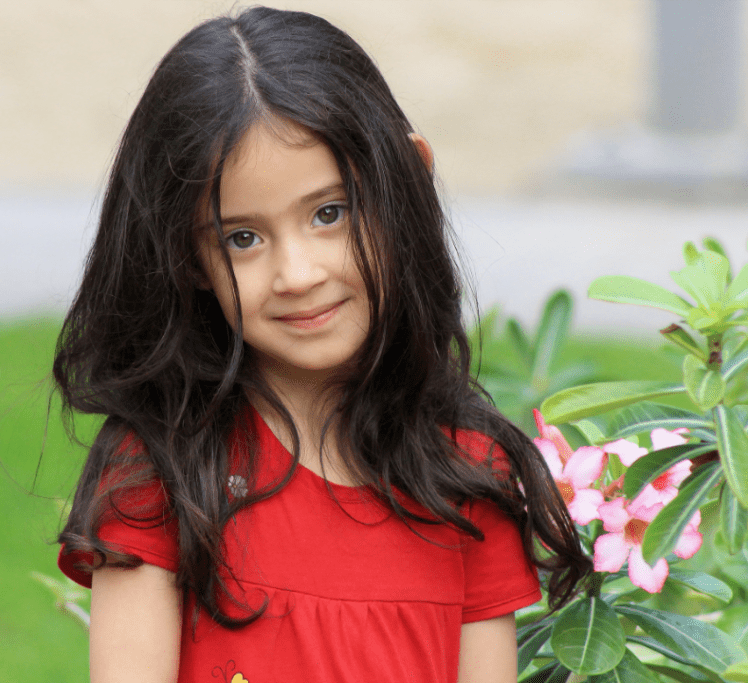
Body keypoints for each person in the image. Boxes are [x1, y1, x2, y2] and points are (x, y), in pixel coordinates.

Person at [52, 6, 591, 682]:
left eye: (329, 213)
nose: (298, 274)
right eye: (241, 237)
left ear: (409, 179)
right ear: (186, 257)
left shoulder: (469, 480)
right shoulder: (162, 474)